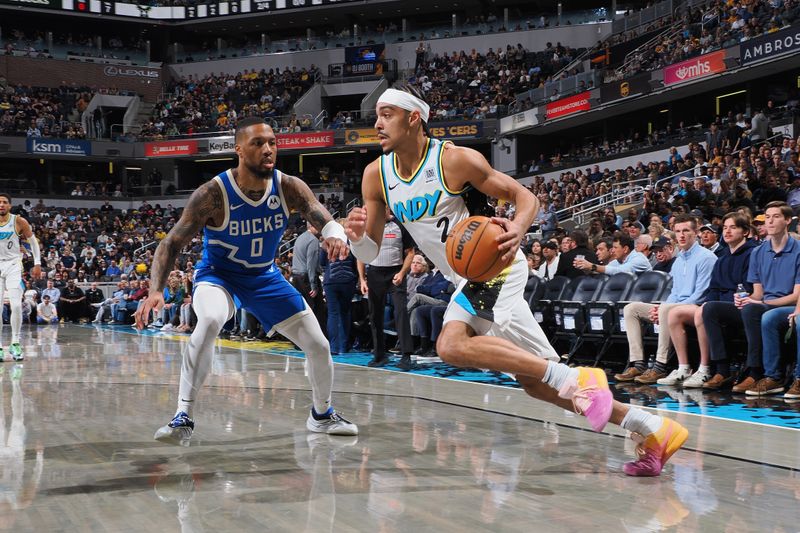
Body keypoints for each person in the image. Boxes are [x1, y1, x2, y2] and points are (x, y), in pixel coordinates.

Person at [345, 84, 687, 476]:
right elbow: (370, 252)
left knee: (452, 345)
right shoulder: (376, 174)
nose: (377, 123)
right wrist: (356, 241)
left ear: (413, 117)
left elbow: (526, 199)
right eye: (377, 115)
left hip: (494, 266)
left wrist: (519, 228)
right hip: (463, 277)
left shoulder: (455, 160)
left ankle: (581, 378)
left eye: (387, 114)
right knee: (537, 382)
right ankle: (653, 428)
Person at [137, 117, 357, 445]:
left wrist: (336, 234)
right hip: (219, 275)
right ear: (239, 150)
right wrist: (155, 290)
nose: (268, 149)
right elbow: (171, 243)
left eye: (272, 142)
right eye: (258, 143)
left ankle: (321, 415)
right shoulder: (213, 193)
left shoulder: (288, 186)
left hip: (264, 276)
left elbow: (321, 216)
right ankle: (183, 415)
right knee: (210, 319)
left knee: (319, 345)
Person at [615, 215, 717, 385]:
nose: (682, 235)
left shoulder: (706, 257)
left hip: (697, 307)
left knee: (666, 309)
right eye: (678, 231)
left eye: (686, 231)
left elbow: (701, 294)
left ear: (696, 232)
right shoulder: (678, 262)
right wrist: (661, 307)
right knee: (631, 309)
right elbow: (674, 293)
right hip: (675, 306)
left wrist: (665, 308)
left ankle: (660, 366)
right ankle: (638, 363)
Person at [668, 212, 758, 389]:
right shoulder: (722, 259)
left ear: (746, 231)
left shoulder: (752, 254)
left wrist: (713, 303)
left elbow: (748, 288)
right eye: (725, 227)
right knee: (707, 307)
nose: (728, 231)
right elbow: (713, 289)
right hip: (722, 306)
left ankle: (715, 369)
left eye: (733, 227)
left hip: (744, 304)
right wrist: (710, 303)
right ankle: (718, 370)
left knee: (708, 309)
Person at [356, 209, 415, 368]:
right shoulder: (369, 226)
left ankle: (406, 355)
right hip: (375, 273)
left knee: (401, 312)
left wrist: (402, 272)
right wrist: (362, 279)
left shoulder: (400, 225)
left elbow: (410, 253)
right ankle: (379, 355)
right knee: (375, 315)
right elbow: (360, 254)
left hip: (395, 273)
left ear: (387, 208)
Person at [0, 193, 41, 361]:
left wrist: (37, 263)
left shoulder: (18, 221)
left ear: (9, 205)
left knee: (16, 306)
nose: (1, 204)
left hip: (13, 265)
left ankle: (15, 343)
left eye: (4, 202)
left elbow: (33, 242)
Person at [574, 232, 652, 275]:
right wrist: (587, 269)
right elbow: (604, 272)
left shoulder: (639, 259)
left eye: (615, 248)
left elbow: (620, 272)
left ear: (625, 249)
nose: (612, 251)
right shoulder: (618, 261)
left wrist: (592, 266)